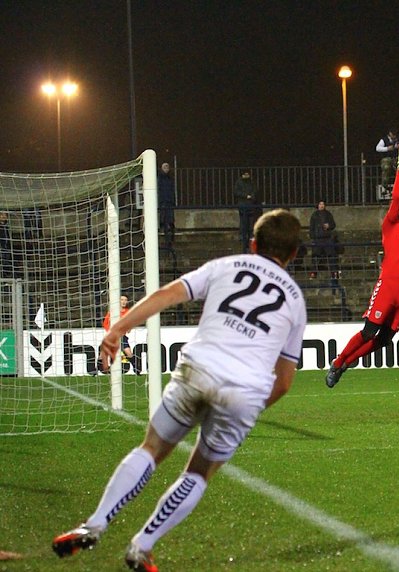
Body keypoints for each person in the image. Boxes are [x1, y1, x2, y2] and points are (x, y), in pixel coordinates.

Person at [52, 209, 306, 571]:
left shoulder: (225, 266)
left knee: (152, 449)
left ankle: (94, 524)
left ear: (253, 243)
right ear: (293, 254)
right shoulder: (295, 300)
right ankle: (142, 546)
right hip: (245, 391)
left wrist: (118, 329)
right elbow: (283, 381)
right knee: (199, 471)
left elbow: (168, 294)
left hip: (198, 369)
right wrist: (248, 407)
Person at [326, 144, 399, 387]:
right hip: (389, 285)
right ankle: (338, 362)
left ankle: (347, 363)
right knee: (368, 332)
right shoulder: (390, 226)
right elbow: (396, 197)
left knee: (385, 339)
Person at [101, 295, 142, 375]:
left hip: (121, 336)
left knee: (129, 353)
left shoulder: (128, 312)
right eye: (122, 299)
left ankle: (136, 369)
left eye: (125, 300)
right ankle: (96, 370)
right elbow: (105, 324)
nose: (123, 302)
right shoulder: (112, 312)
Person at [308, 200, 339, 281]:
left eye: (323, 204)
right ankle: (313, 273)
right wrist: (313, 237)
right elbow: (311, 227)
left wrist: (329, 226)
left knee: (331, 256)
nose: (322, 206)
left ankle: (334, 273)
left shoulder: (328, 214)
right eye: (320, 204)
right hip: (317, 239)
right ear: (317, 205)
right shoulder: (314, 215)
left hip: (327, 238)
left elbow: (333, 224)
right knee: (315, 256)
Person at [233, 169, 260, 253]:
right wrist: (246, 196)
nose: (246, 176)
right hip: (243, 204)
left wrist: (251, 196)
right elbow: (236, 192)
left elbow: (255, 190)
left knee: (250, 221)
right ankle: (243, 236)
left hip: (249, 204)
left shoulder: (251, 182)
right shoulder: (239, 183)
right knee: (243, 221)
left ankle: (250, 235)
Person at [157, 162, 176, 249]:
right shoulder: (160, 179)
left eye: (167, 167)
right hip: (164, 202)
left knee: (170, 220)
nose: (166, 169)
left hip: (169, 202)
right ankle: (167, 238)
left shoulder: (169, 178)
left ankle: (170, 237)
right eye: (165, 167)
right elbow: (160, 191)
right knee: (164, 220)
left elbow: (172, 190)